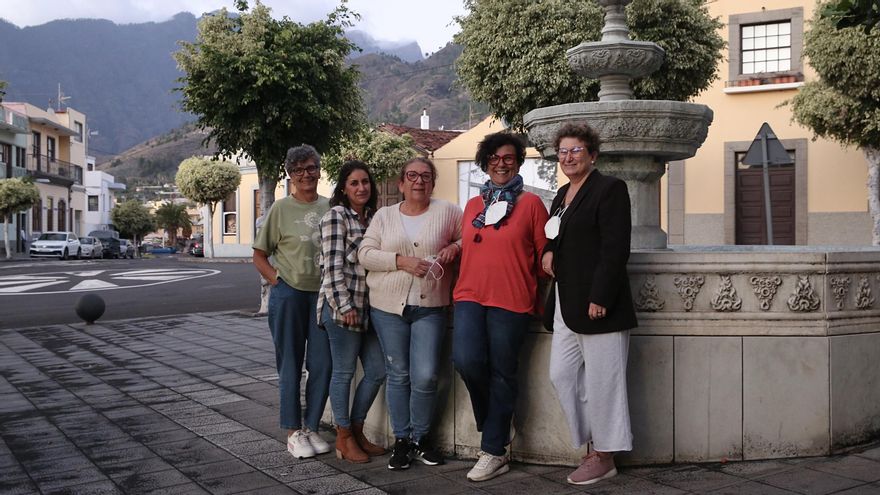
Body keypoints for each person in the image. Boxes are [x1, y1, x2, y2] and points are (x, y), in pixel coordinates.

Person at [541, 122, 637, 485]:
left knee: (605, 381)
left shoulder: (610, 189)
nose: (568, 157)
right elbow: (557, 235)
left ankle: (605, 454)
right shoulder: (562, 194)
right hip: (566, 301)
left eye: (576, 150)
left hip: (599, 303)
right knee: (561, 374)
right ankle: (591, 440)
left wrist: (601, 296)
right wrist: (549, 252)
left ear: (592, 155)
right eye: (563, 152)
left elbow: (615, 248)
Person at [452, 132, 549, 482]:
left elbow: (543, 257)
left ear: (519, 162)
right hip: (469, 295)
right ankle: (496, 420)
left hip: (512, 299)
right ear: (485, 162)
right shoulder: (473, 206)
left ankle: (494, 451)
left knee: (503, 372)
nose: (501, 163)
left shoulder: (532, 205)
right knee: (466, 359)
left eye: (508, 157)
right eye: (493, 157)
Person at [358, 157, 462, 471]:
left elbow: (465, 237)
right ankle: (402, 440)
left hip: (430, 306)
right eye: (412, 176)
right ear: (401, 183)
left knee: (427, 374)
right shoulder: (384, 215)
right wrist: (401, 261)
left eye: (426, 176)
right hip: (387, 307)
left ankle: (422, 437)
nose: (419, 181)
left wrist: (454, 248)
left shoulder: (448, 211)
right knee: (399, 374)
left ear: (433, 182)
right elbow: (365, 254)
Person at [253, 144, 333, 460]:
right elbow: (259, 255)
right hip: (289, 295)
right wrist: (277, 280)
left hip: (323, 296)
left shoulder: (330, 207)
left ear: (319, 169)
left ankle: (311, 427)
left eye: (311, 167)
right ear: (290, 175)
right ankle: (292, 431)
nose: (306, 175)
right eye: (298, 170)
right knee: (290, 365)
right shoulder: (280, 210)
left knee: (322, 364)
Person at [318, 160, 387, 464]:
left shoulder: (374, 218)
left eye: (366, 182)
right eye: (354, 183)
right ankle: (343, 437)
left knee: (377, 370)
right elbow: (332, 268)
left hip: (370, 310)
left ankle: (357, 430)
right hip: (341, 309)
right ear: (344, 189)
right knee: (344, 373)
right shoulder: (336, 217)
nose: (361, 188)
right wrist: (344, 306)